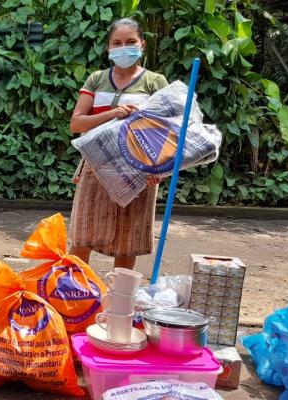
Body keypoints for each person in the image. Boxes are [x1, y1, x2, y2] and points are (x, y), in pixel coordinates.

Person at [68, 18, 169, 270]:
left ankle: (118, 303)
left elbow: (167, 131)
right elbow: (77, 123)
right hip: (96, 165)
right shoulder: (96, 79)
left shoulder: (155, 82)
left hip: (139, 169)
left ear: (142, 45)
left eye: (130, 42)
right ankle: (73, 296)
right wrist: (112, 114)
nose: (124, 47)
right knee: (83, 234)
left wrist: (157, 168)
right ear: (108, 48)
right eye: (117, 43)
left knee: (128, 239)